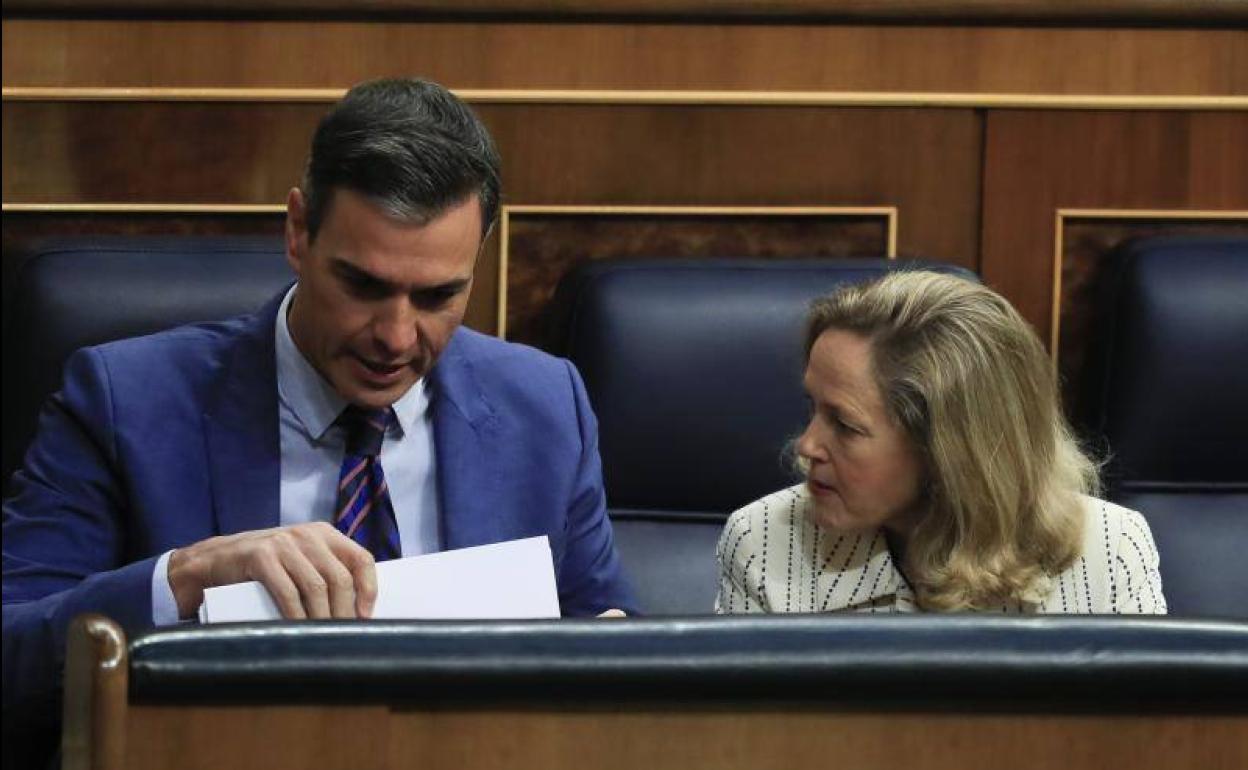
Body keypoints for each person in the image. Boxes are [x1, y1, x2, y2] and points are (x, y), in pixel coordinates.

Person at [3, 78, 636, 740]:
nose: (395, 337)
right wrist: (187, 577)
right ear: (299, 231)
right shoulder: (125, 402)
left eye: (437, 296)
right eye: (363, 285)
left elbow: (615, 637)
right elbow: (12, 648)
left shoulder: (543, 408)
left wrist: (622, 661)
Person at [716, 270, 1165, 614]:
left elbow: (1152, 736)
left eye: (845, 426)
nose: (806, 446)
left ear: (950, 452)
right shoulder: (763, 542)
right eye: (812, 409)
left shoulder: (1109, 548)